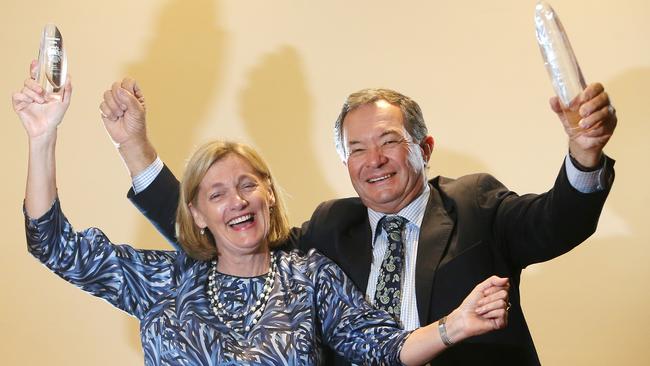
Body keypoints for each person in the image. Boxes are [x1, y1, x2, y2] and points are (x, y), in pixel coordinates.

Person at [104, 69, 617, 365]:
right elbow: (230, 231)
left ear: (424, 148)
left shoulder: (476, 204)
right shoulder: (330, 228)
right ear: (345, 163)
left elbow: (559, 222)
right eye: (357, 149)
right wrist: (135, 147)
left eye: (390, 142)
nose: (374, 160)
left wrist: (584, 154)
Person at [14, 65, 510, 366]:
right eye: (217, 193)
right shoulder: (163, 280)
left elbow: (387, 348)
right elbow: (52, 244)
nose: (237, 201)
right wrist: (42, 138)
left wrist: (454, 325)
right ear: (198, 215)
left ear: (268, 196)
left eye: (248, 184)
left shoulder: (311, 279)